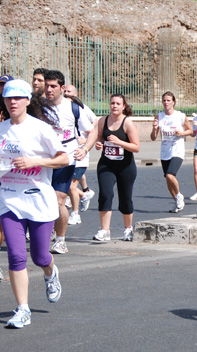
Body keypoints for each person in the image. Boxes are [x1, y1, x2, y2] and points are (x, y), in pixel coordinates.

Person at [0, 79, 69, 328]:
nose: (13, 102)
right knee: (16, 257)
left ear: (28, 100)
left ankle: (50, 273)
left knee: (40, 257)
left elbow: (63, 158)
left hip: (38, 200)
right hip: (9, 200)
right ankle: (22, 309)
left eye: (18, 98)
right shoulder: (1, 129)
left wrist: (35, 162)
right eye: (9, 98)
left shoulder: (40, 128)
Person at [44, 70, 97, 254]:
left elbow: (92, 132)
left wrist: (84, 149)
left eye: (53, 86)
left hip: (66, 158)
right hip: (44, 160)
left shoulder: (73, 108)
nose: (49, 89)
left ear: (62, 87)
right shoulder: (39, 107)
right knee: (42, 199)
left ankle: (60, 240)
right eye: (47, 86)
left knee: (59, 200)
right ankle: (44, 233)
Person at [93, 94, 140, 241]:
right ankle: (105, 230)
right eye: (112, 103)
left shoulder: (127, 123)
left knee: (125, 198)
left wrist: (119, 142)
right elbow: (99, 136)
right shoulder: (103, 121)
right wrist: (99, 143)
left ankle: (128, 229)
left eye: (118, 104)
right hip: (106, 164)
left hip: (125, 166)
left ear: (123, 106)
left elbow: (136, 147)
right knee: (105, 195)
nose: (114, 106)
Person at [150, 91, 192, 213]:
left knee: (170, 175)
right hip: (165, 151)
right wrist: (154, 128)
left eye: (168, 100)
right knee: (168, 179)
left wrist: (182, 133)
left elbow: (191, 131)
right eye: (164, 100)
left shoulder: (180, 116)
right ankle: (177, 202)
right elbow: (153, 137)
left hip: (177, 150)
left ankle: (179, 195)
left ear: (173, 102)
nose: (166, 102)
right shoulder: (159, 116)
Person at [63, 84, 98, 225]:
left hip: (80, 154)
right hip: (66, 155)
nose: (67, 95)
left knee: (71, 186)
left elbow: (94, 123)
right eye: (65, 93)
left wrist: (86, 140)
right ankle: (84, 194)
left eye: (69, 93)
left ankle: (75, 213)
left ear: (76, 94)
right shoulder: (60, 110)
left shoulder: (80, 108)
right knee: (63, 186)